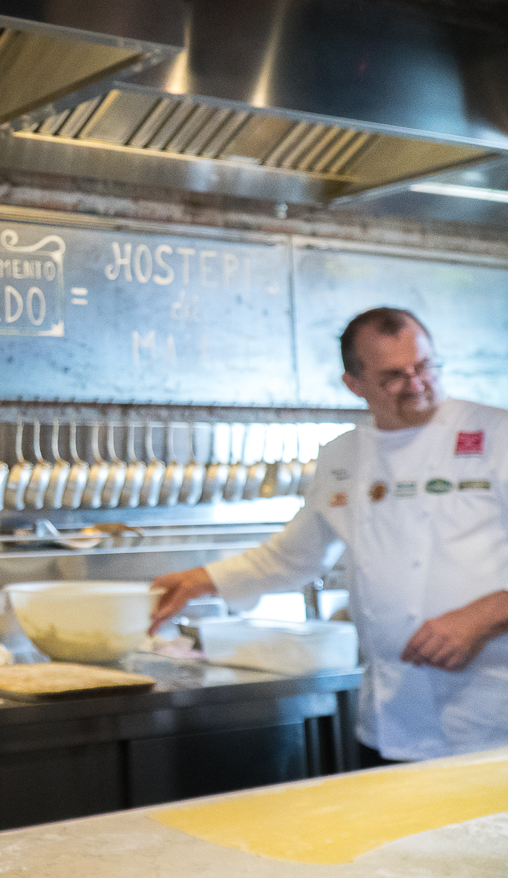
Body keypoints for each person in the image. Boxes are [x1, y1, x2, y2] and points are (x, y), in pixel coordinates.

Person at [150, 308, 508, 766]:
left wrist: (483, 616)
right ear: (354, 384)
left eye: (424, 367)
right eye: (393, 376)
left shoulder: (495, 433)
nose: (416, 383)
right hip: (394, 717)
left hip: (492, 715)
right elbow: (294, 556)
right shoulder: (343, 457)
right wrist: (202, 579)